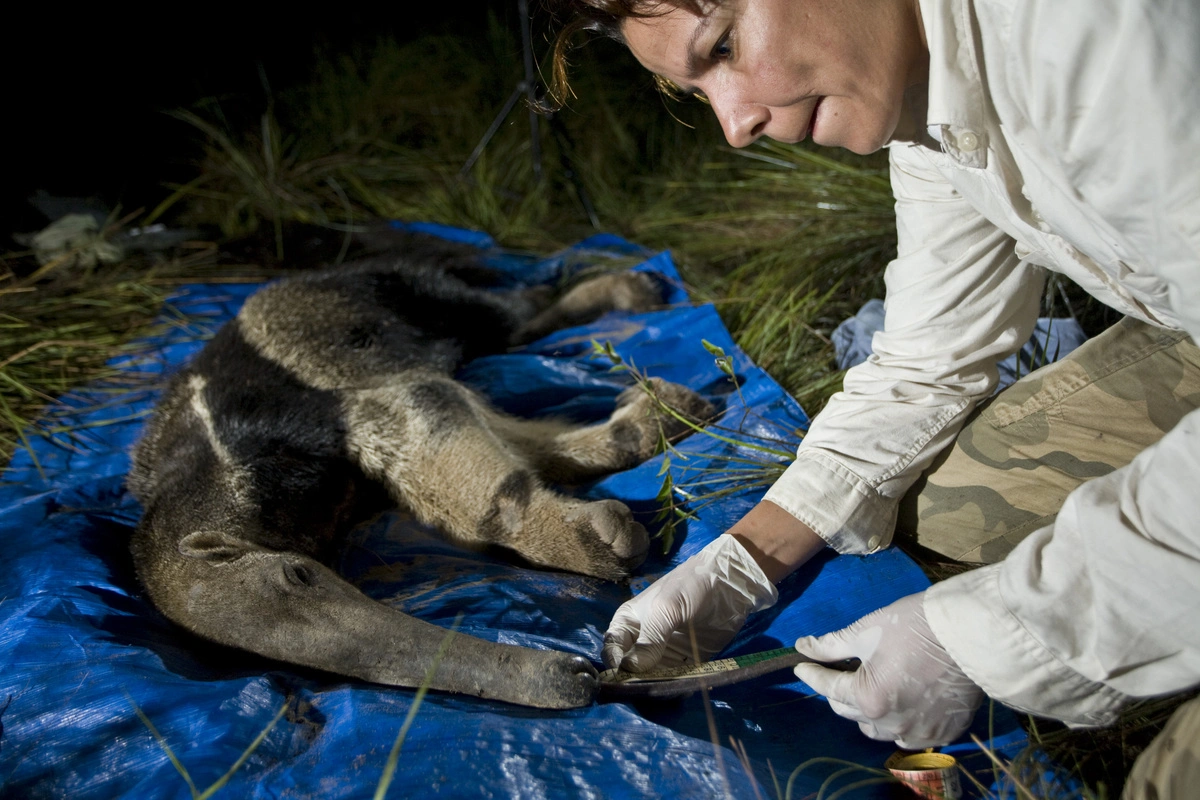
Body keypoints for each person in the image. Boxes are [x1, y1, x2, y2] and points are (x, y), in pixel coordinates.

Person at [548, 0, 1200, 795]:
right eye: (697, 91)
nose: (735, 123)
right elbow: (930, 356)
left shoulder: (1101, 35)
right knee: (966, 507)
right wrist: (742, 564)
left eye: (722, 46)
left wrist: (992, 641)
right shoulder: (933, 97)